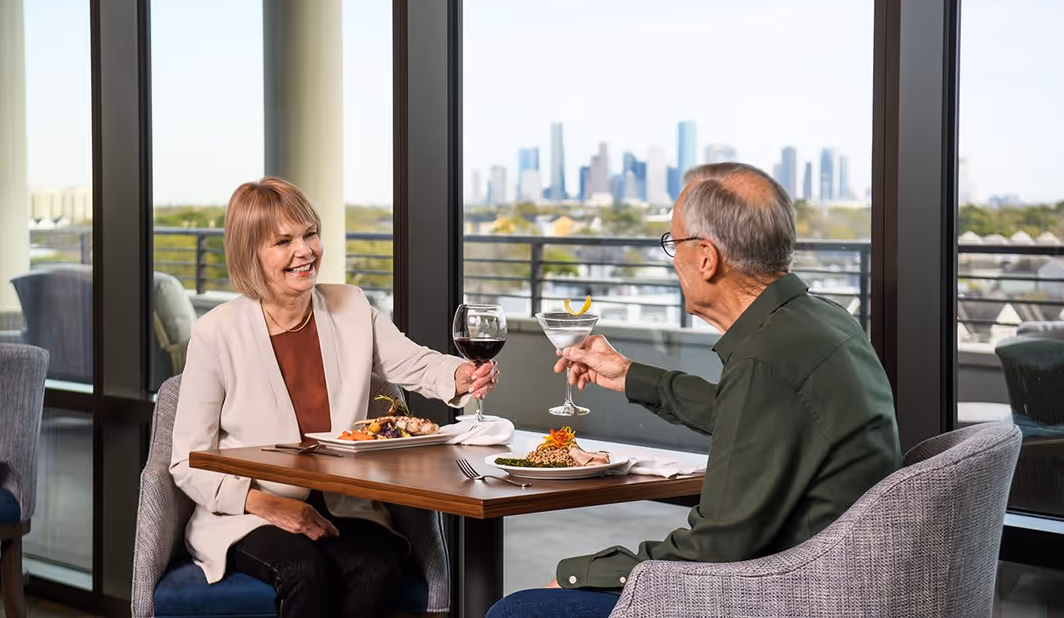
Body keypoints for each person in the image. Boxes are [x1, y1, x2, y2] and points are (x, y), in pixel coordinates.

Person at [488, 162, 899, 618]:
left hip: (783, 596)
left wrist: (580, 573)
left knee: (521, 611)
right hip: (833, 578)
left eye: (673, 243)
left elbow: (715, 547)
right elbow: (749, 416)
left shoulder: (767, 361)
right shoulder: (820, 321)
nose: (673, 259)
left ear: (706, 257)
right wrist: (629, 374)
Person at [171, 177, 498, 618]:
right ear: (250, 254)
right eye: (283, 241)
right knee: (305, 571)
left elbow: (415, 364)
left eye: (310, 234)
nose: (304, 251)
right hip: (251, 509)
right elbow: (187, 459)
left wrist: (461, 374)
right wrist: (271, 505)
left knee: (378, 567)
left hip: (346, 501)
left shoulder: (351, 305)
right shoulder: (216, 332)